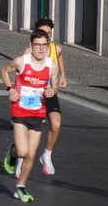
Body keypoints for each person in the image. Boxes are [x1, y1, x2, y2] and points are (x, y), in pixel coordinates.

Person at [1, 29, 59, 203]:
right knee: (23, 151)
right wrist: (10, 89)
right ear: (31, 46)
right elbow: (4, 71)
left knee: (31, 155)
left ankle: (20, 187)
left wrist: (51, 91)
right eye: (37, 45)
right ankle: (13, 152)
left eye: (44, 45)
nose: (41, 49)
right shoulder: (21, 62)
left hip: (38, 112)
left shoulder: (52, 66)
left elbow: (55, 86)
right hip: (20, 111)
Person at [15, 18, 67, 178]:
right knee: (28, 132)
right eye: (44, 34)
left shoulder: (56, 48)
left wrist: (63, 77)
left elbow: (59, 61)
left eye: (49, 34)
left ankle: (47, 155)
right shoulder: (27, 53)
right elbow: (20, 74)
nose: (47, 37)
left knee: (56, 125)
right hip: (31, 96)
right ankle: (19, 159)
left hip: (48, 92)